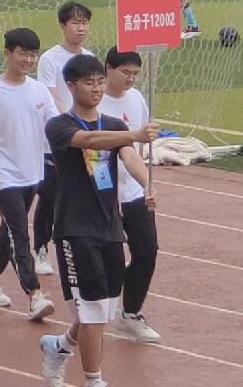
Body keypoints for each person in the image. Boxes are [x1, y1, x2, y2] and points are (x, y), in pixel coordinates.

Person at [40, 54, 159, 387]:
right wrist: (135, 134)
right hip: (75, 228)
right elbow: (89, 141)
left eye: (100, 82)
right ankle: (94, 380)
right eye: (89, 82)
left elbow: (129, 156)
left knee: (100, 310)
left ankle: (59, 346)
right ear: (71, 86)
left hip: (109, 226)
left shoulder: (115, 125)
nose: (96, 88)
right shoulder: (60, 125)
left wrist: (147, 183)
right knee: (91, 310)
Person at [0, 28, 58, 322]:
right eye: (23, 54)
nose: (28, 60)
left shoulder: (39, 90)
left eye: (33, 55)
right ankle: (34, 293)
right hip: (4, 176)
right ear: (8, 54)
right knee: (19, 232)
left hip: (32, 173)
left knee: (7, 232)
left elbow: (55, 127)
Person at [98, 48, 161, 343]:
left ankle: (131, 314)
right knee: (109, 259)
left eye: (136, 73)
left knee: (147, 251)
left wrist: (147, 183)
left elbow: (138, 147)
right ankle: (91, 317)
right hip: (103, 194)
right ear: (108, 69)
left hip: (134, 191)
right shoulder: (96, 103)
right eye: (125, 72)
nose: (131, 79)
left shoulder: (136, 98)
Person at [35, 2, 94, 275]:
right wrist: (71, 123)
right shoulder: (50, 59)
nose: (81, 28)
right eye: (75, 23)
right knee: (50, 196)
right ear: (62, 26)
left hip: (85, 138)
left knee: (80, 195)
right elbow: (50, 95)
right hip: (57, 139)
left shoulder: (90, 58)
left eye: (84, 23)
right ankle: (40, 248)